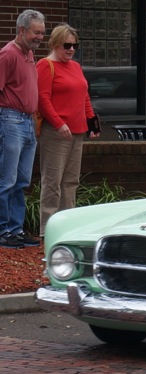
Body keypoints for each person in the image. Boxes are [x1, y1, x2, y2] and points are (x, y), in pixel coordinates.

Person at [37, 24, 100, 238]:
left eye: (75, 45)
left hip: (77, 131)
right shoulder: (45, 65)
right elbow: (43, 99)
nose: (71, 49)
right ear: (55, 43)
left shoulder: (75, 67)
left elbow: (84, 97)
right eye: (67, 45)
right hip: (56, 133)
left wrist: (92, 122)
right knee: (52, 181)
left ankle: (67, 227)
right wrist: (58, 123)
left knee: (71, 181)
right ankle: (47, 230)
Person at [0, 10, 45, 248]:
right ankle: (4, 230)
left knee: (22, 180)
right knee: (7, 180)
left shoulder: (29, 55)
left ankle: (15, 229)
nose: (40, 37)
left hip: (27, 122)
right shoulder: (7, 55)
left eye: (42, 33)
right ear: (21, 30)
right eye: (36, 32)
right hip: (10, 120)